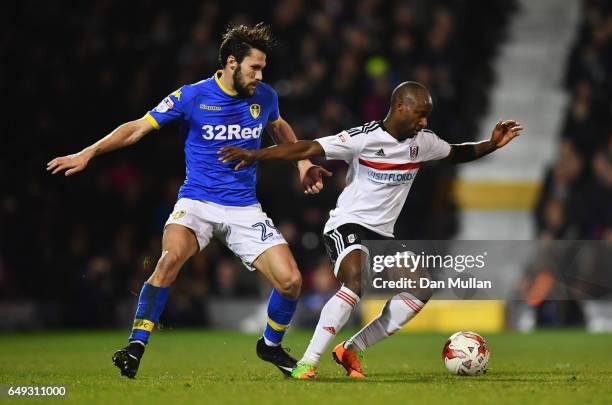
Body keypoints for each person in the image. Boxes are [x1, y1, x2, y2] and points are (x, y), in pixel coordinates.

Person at [47, 23, 331, 379]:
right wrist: (88, 152)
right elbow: (137, 128)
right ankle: (135, 346)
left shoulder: (265, 96)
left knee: (291, 282)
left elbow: (280, 128)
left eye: (262, 68)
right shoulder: (191, 96)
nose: (260, 75)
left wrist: (303, 162)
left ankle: (270, 346)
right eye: (254, 67)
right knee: (169, 259)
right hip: (196, 201)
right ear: (231, 62)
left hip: (243, 207)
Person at [219, 81, 523, 379]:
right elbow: (308, 146)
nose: (424, 121)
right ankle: (308, 362)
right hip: (346, 225)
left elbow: (456, 153)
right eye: (420, 113)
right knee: (356, 277)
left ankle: (352, 348)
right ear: (400, 107)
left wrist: (491, 144)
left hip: (383, 236)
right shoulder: (364, 137)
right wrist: (256, 155)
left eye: (427, 115)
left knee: (421, 286)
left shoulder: (424, 142)